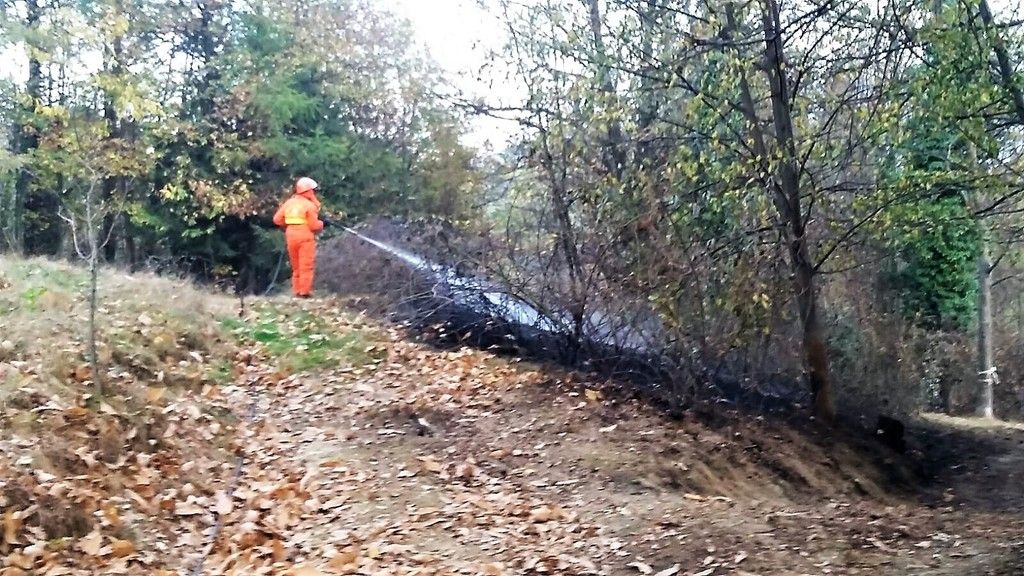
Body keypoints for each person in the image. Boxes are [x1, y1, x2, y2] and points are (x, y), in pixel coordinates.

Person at [273, 177, 326, 298]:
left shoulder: (289, 203)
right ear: (309, 191)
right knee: (306, 266)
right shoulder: (309, 205)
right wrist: (322, 224)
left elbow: (277, 220)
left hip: (291, 236)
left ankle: (297, 291)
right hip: (305, 237)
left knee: (296, 266)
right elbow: (314, 226)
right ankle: (304, 292)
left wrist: (289, 224)